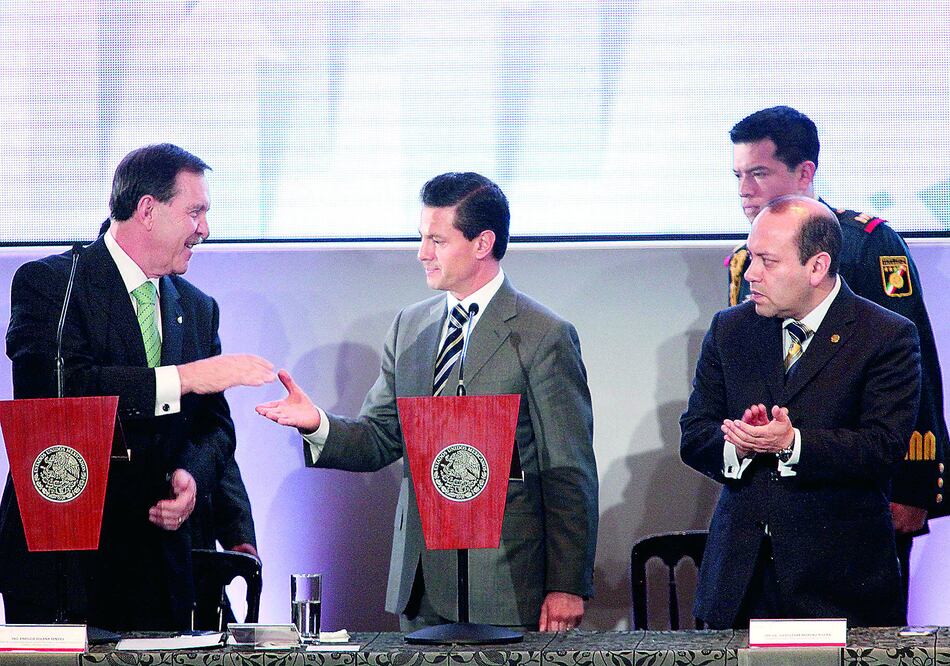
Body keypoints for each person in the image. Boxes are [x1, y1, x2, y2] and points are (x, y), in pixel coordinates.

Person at [257, 172, 598, 631]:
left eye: (436, 240)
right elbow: (380, 437)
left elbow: (568, 470)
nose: (422, 254)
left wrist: (566, 584)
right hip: (421, 582)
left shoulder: (543, 335)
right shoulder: (410, 327)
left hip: (505, 579)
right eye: (422, 238)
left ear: (482, 243)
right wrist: (317, 423)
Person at [0, 143, 275, 630]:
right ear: (148, 209)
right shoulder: (53, 285)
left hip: (162, 561)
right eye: (195, 211)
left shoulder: (197, 306)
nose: (204, 229)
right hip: (69, 552)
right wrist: (183, 379)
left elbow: (215, 429)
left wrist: (192, 475)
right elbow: (55, 392)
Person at [725, 106, 948, 607]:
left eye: (759, 173)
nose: (745, 190)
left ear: (804, 172)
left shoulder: (867, 245)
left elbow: (915, 374)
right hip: (778, 497)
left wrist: (913, 486)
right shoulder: (746, 261)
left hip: (861, 491)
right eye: (739, 175)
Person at [682, 196, 921, 628]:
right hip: (738, 587)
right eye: (751, 256)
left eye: (767, 261)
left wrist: (792, 444)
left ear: (817, 266)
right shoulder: (730, 330)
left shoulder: (886, 336)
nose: (750, 273)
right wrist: (741, 445)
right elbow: (695, 433)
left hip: (840, 589)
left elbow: (882, 446)